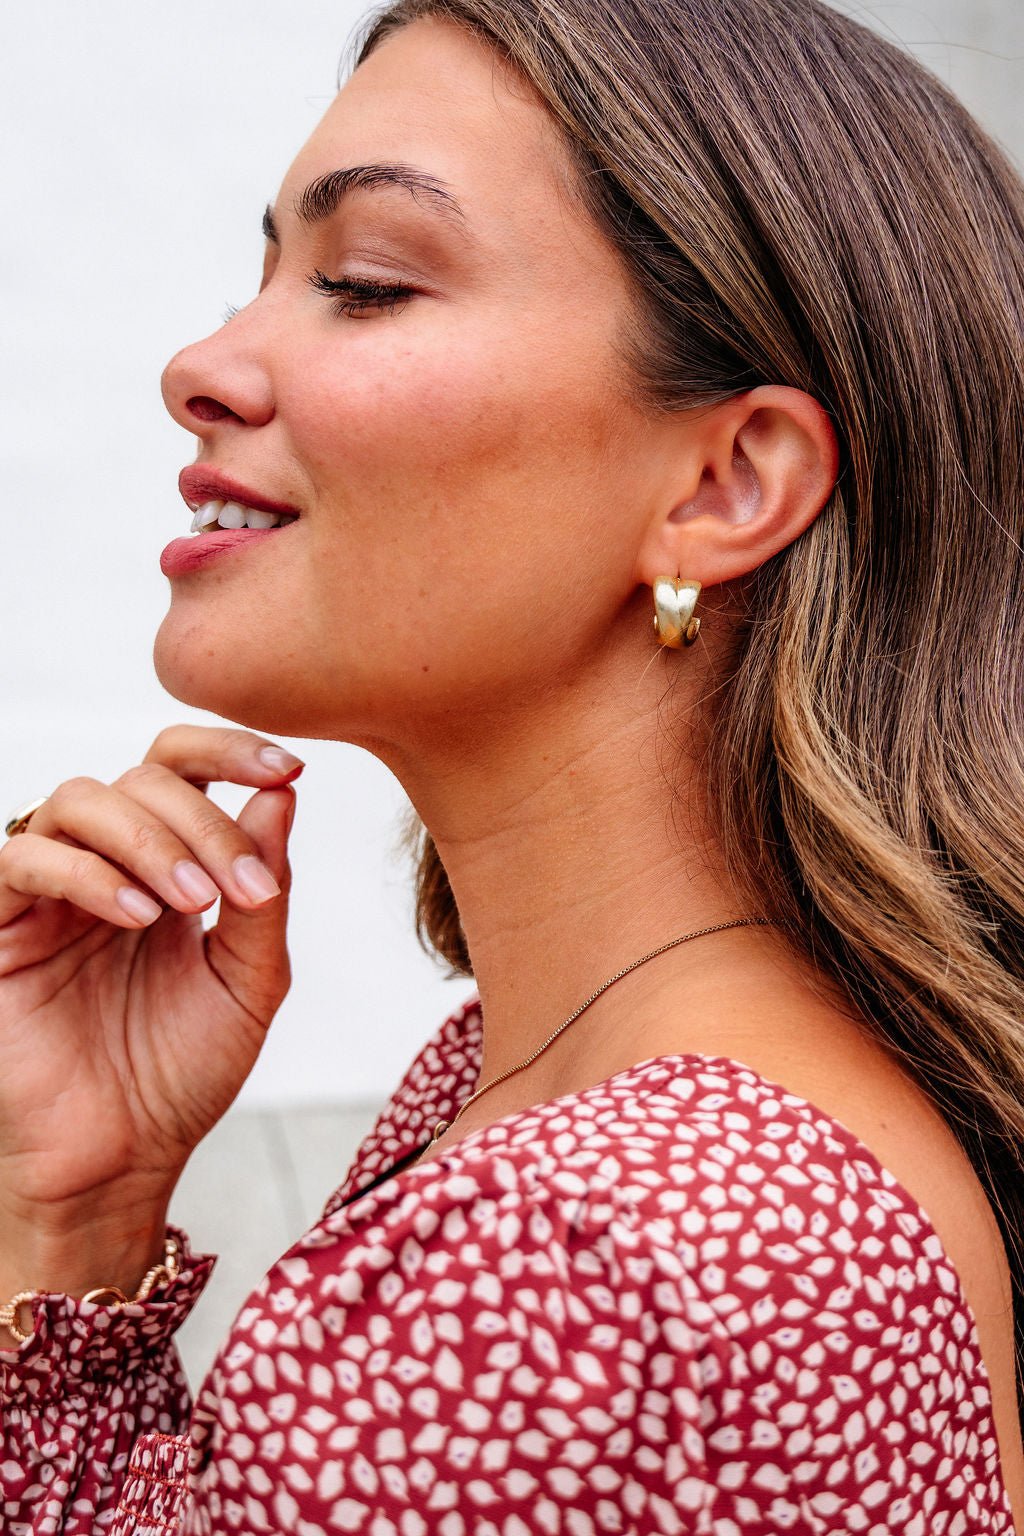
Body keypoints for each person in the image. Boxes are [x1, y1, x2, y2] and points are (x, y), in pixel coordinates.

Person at [2, 0, 1023, 1528]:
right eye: (264, 270)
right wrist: (75, 1215)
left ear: (727, 482)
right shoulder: (568, 1105)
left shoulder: (587, 1256)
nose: (200, 366)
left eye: (365, 284)